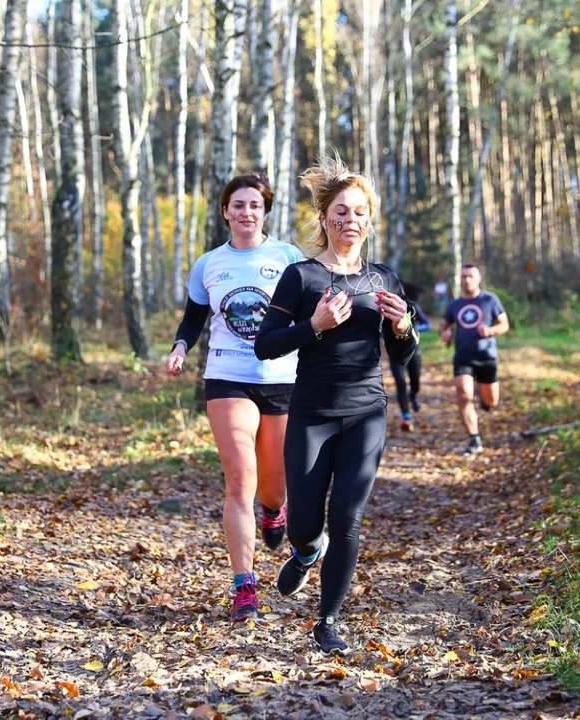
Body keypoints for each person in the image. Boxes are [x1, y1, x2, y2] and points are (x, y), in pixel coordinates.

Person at [254, 156, 418, 654]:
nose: (351, 220)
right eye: (341, 212)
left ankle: (328, 621)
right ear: (325, 218)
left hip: (366, 411)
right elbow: (265, 344)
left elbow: (405, 359)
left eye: (360, 212)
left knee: (347, 516)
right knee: (306, 524)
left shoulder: (385, 279)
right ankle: (306, 551)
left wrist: (402, 327)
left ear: (370, 220)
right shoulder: (301, 277)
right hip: (311, 414)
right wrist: (315, 326)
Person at [166, 173, 305, 622]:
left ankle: (274, 510)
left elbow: (310, 316)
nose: (247, 212)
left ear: (265, 213)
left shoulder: (288, 257)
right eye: (238, 205)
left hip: (282, 377)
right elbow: (193, 319)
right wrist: (180, 347)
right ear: (225, 211)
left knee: (273, 484)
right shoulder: (209, 264)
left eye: (255, 206)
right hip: (227, 375)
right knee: (240, 480)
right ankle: (244, 585)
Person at [437, 263, 509, 454]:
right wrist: (444, 334)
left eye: (470, 276)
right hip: (463, 356)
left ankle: (485, 401)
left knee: (491, 401)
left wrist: (491, 330)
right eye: (463, 277)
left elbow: (504, 324)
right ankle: (474, 438)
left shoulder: (490, 300)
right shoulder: (455, 305)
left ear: (479, 279)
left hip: (486, 356)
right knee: (463, 394)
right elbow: (443, 326)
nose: (467, 280)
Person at [390, 283, 430, 432]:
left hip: (414, 351)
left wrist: (412, 329)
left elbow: (427, 324)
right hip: (395, 353)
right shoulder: (384, 306)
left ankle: (413, 395)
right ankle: (406, 416)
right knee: (400, 384)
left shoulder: (412, 306)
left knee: (415, 382)